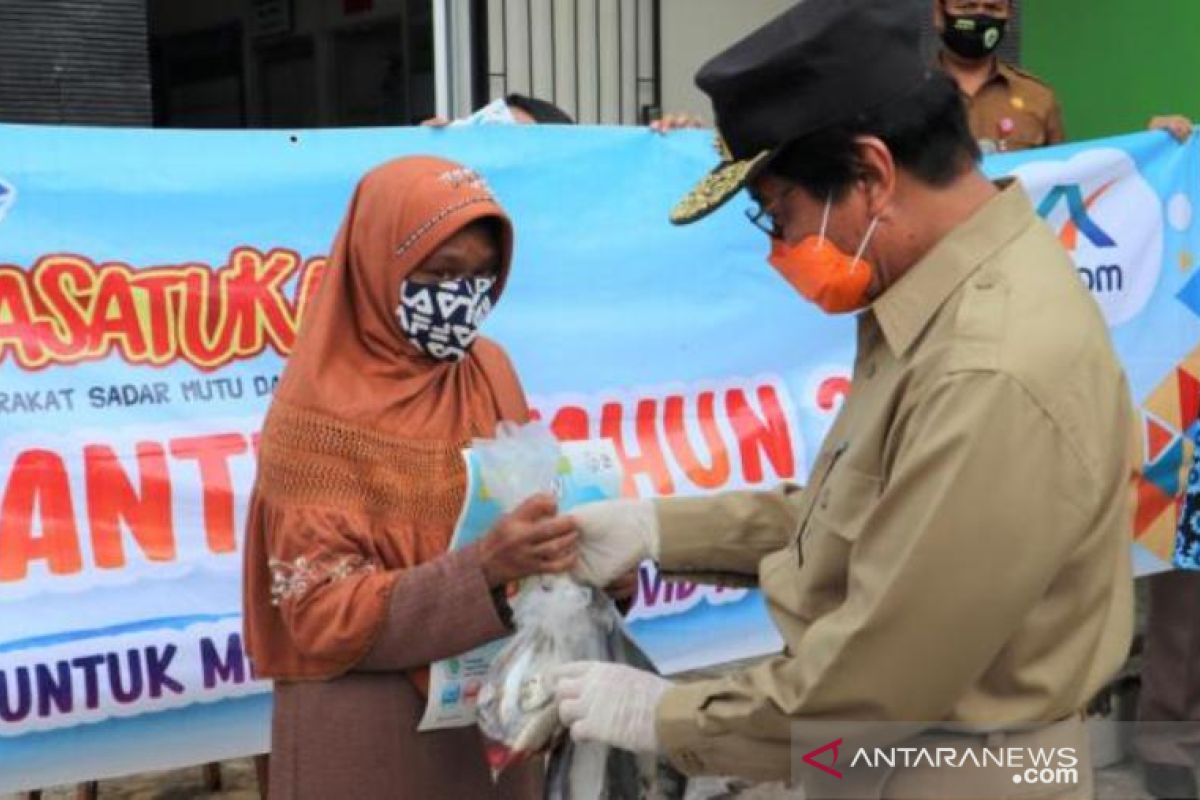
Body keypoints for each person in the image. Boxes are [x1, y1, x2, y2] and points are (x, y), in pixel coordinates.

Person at [550, 1, 1135, 796]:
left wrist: (671, 718)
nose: (778, 251)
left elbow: (883, 672)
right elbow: (859, 526)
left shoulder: (987, 366)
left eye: (780, 213)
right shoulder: (935, 303)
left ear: (871, 175)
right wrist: (655, 530)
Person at [241, 155, 583, 799]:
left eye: (483, 274)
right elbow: (315, 612)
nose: (463, 296)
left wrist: (579, 559)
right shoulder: (316, 413)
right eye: (440, 273)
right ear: (376, 265)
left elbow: (526, 514)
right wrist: (480, 569)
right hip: (372, 735)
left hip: (496, 713)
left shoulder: (489, 369)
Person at [935, 0, 1064, 153]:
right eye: (966, 7)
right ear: (939, 13)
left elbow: (1058, 172)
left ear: (1008, 16)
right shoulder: (907, 94)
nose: (980, 18)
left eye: (993, 8)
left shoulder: (1038, 97)